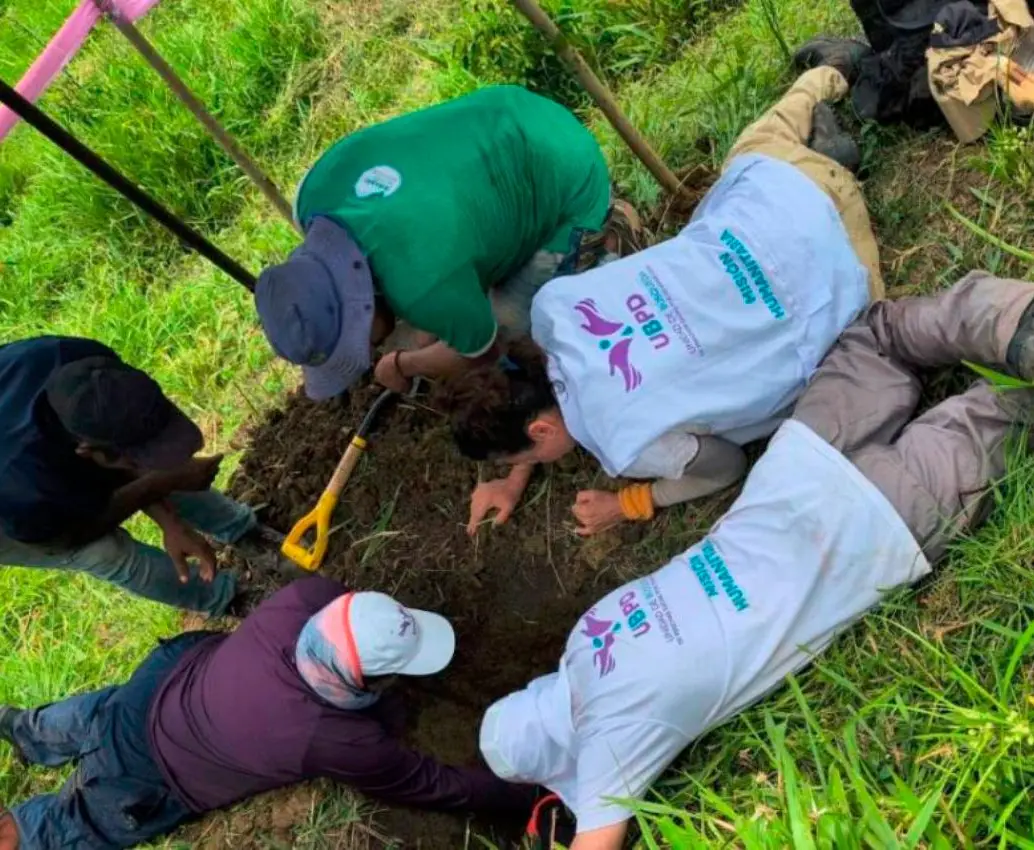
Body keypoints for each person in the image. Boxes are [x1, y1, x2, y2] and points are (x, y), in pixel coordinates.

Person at [475, 271, 1034, 849]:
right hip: (801, 461)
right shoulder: (585, 638)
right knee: (881, 338)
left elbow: (599, 836)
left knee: (1003, 420)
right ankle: (1013, 321)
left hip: (870, 528)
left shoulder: (609, 738)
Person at [443, 61, 886, 537]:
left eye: (525, 458)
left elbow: (723, 466)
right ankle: (830, 74)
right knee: (754, 145)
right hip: (775, 189)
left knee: (854, 339)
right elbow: (536, 394)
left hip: (846, 269)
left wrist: (629, 502)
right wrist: (517, 455)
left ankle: (838, 162)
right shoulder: (555, 307)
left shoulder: (628, 444)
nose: (529, 464)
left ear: (541, 432)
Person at [0, 577, 537, 849]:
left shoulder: (308, 596)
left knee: (94, 715)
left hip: (155, 686)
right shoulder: (325, 737)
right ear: (365, 679)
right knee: (48, 829)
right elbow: (429, 784)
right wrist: (523, 796)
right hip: (144, 778)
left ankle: (24, 730)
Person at [255, 85, 638, 401]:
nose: (367, 352)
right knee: (453, 303)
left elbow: (482, 353)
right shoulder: (310, 196)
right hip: (504, 111)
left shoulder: (423, 285)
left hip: (566, 174)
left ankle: (610, 232)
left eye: (358, 343)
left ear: (358, 306)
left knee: (517, 331)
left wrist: (404, 364)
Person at [0, 336, 280, 616]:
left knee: (164, 470)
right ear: (89, 452)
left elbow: (132, 456)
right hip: (20, 516)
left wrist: (170, 518)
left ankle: (245, 531)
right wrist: (160, 483)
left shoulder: (81, 362)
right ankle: (228, 598)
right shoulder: (25, 491)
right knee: (104, 552)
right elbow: (67, 537)